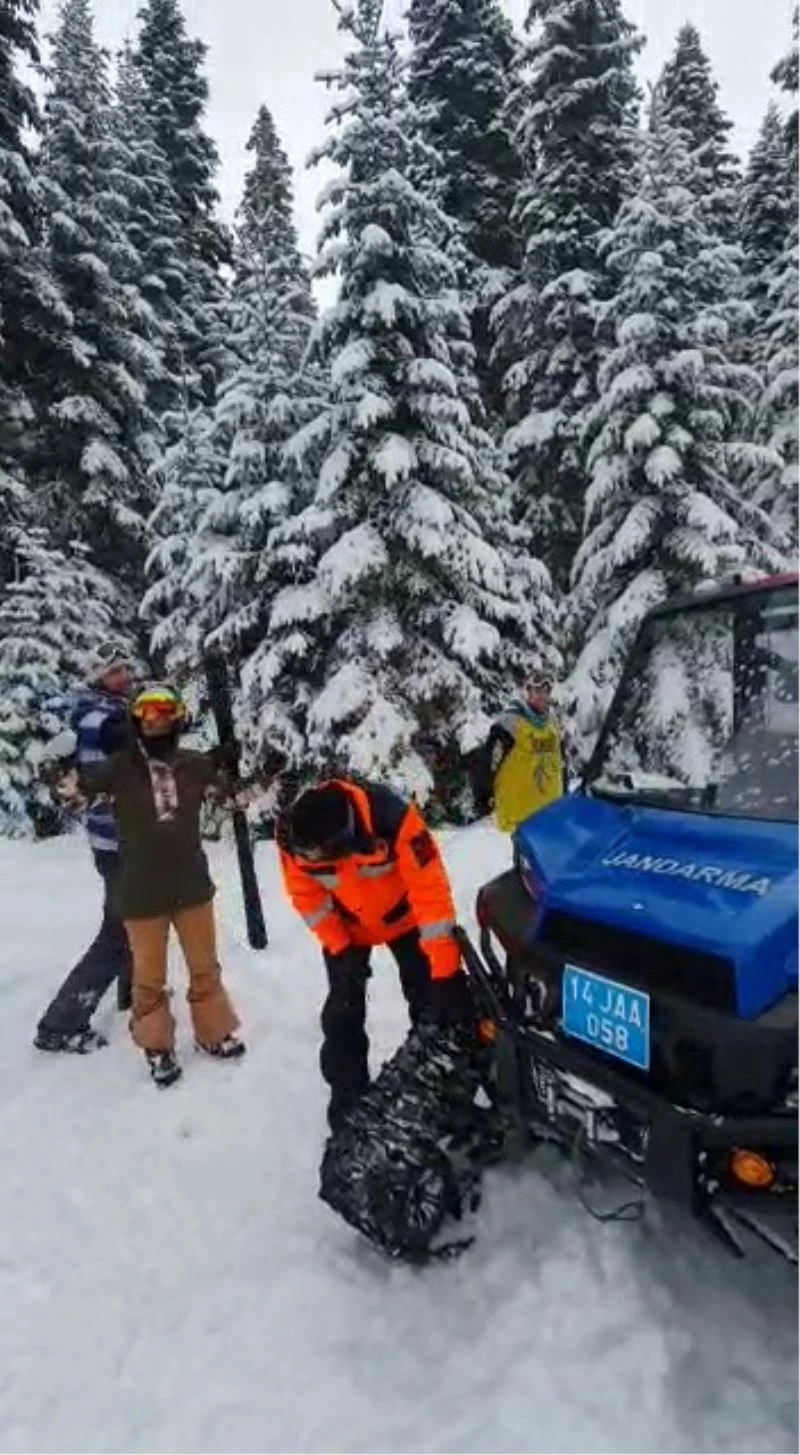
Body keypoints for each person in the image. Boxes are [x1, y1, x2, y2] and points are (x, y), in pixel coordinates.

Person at [57, 683, 245, 1087]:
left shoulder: (194, 764)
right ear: (136, 719)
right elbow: (75, 795)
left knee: (205, 968)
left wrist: (249, 773)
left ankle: (214, 1033)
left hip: (193, 887)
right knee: (148, 978)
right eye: (147, 711)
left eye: (164, 710)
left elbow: (235, 801)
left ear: (178, 716)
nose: (156, 718)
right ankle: (157, 1047)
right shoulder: (118, 768)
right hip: (141, 894)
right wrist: (59, 774)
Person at [277, 775, 474, 1131]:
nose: (315, 860)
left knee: (434, 1003)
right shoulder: (292, 836)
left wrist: (445, 969)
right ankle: (349, 1099)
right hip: (349, 931)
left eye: (324, 855)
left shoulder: (393, 818)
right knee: (342, 1016)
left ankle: (437, 1083)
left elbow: (431, 891)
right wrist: (339, 945)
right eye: (311, 856)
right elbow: (308, 899)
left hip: (407, 920)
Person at [34, 643, 135, 1054]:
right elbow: (122, 753)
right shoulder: (104, 721)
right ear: (97, 679)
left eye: (125, 669)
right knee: (117, 931)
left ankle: (132, 998)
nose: (124, 677)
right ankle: (59, 1025)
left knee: (134, 924)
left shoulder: (97, 713)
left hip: (112, 839)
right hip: (119, 841)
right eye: (114, 672)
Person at [475, 668, 568, 836]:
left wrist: (565, 793)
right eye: (537, 691)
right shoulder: (511, 723)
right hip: (518, 814)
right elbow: (487, 761)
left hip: (549, 810)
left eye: (546, 691)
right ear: (527, 692)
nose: (542, 696)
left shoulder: (553, 724)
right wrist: (483, 797)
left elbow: (560, 762)